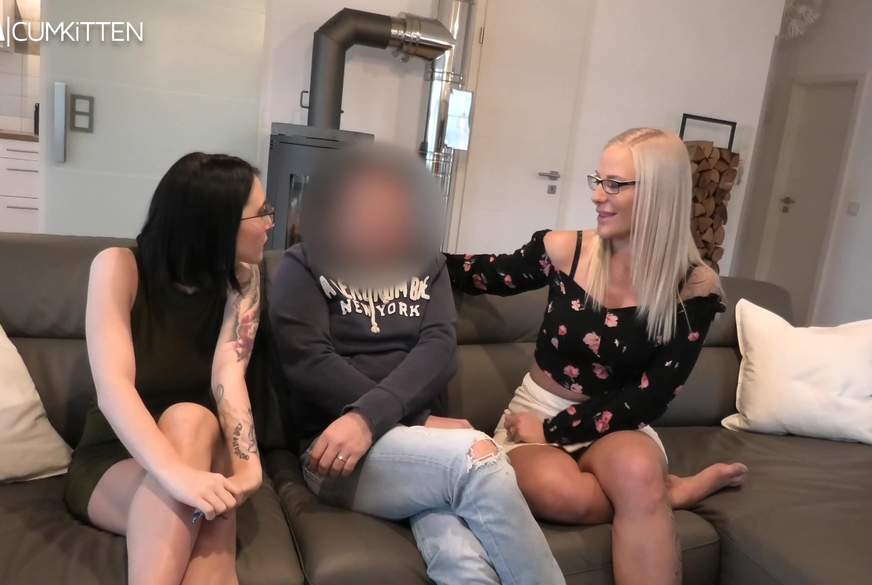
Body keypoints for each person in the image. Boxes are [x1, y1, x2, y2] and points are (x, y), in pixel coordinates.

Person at [446, 128, 748, 585]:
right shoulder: (566, 250)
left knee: (637, 472)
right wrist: (400, 252)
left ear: (659, 195)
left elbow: (650, 397)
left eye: (615, 184)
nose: (596, 196)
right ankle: (666, 493)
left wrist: (554, 432)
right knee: (562, 493)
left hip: (618, 421)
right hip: (537, 410)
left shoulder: (693, 286)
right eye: (598, 180)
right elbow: (482, 274)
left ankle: (647, 489)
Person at [270, 144, 565, 585]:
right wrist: (410, 418)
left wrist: (387, 417)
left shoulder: (427, 262)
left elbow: (439, 348)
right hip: (336, 448)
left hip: (422, 450)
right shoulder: (304, 263)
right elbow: (309, 362)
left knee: (463, 562)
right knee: (478, 458)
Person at [64, 152, 275, 585]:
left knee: (190, 419)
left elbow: (227, 377)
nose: (272, 222)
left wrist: (248, 467)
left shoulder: (245, 279)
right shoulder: (117, 267)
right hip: (117, 458)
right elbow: (114, 388)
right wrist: (178, 477)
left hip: (203, 452)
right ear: (215, 226)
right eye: (262, 213)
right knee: (201, 512)